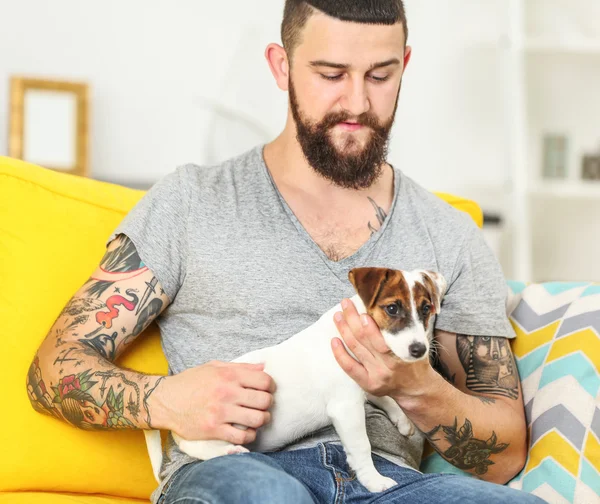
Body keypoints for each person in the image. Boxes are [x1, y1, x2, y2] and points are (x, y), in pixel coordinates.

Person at [27, 1, 545, 503]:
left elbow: (503, 455)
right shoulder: (191, 201)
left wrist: (414, 385)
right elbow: (53, 367)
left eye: (380, 75)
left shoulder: (447, 235)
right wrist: (163, 399)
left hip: (385, 482)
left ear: (404, 65)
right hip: (238, 470)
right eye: (331, 73)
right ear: (282, 66)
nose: (358, 103)